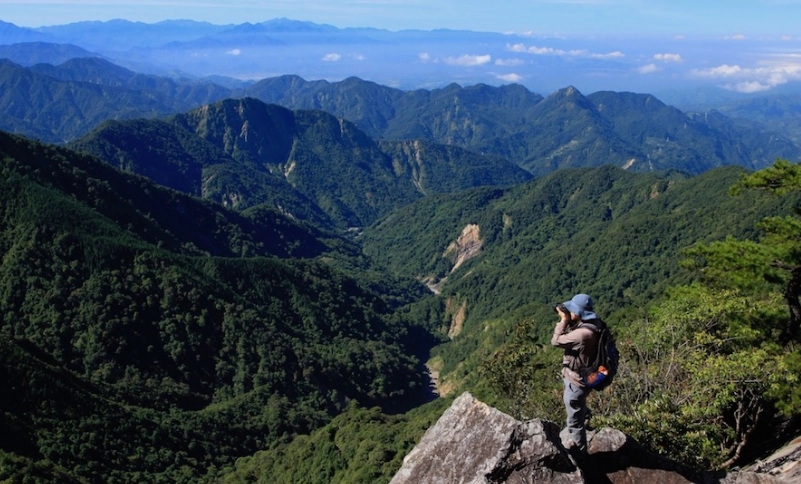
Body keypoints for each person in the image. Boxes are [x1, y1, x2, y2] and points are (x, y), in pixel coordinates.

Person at [551, 293, 601, 460]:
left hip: (576, 382)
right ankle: (585, 415)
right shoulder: (594, 324)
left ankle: (581, 455)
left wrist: (564, 320)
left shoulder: (582, 334)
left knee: (573, 422)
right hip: (584, 377)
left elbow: (556, 341)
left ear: (578, 313)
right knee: (579, 406)